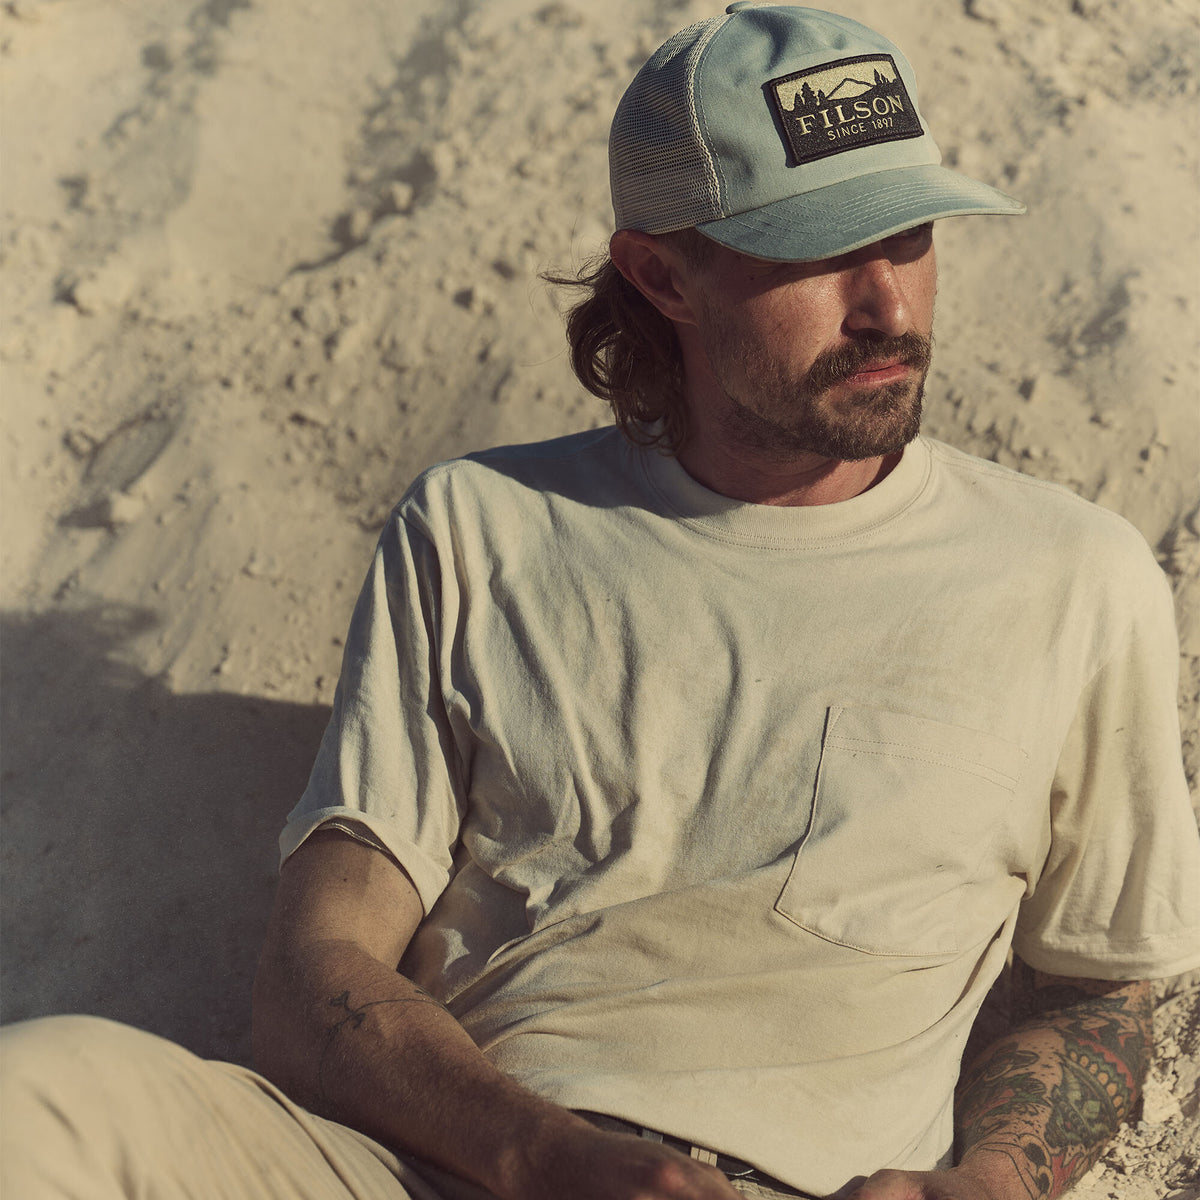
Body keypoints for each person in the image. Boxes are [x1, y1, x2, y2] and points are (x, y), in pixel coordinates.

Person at [4, 4, 1199, 1199]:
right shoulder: (479, 527)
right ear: (661, 275)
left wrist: (991, 1183)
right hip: (447, 1163)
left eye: (911, 237)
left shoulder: (1072, 579)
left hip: (783, 1186)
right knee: (46, 1094)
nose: (889, 306)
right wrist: (544, 1155)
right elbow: (316, 971)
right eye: (820, 254)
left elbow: (1100, 991)